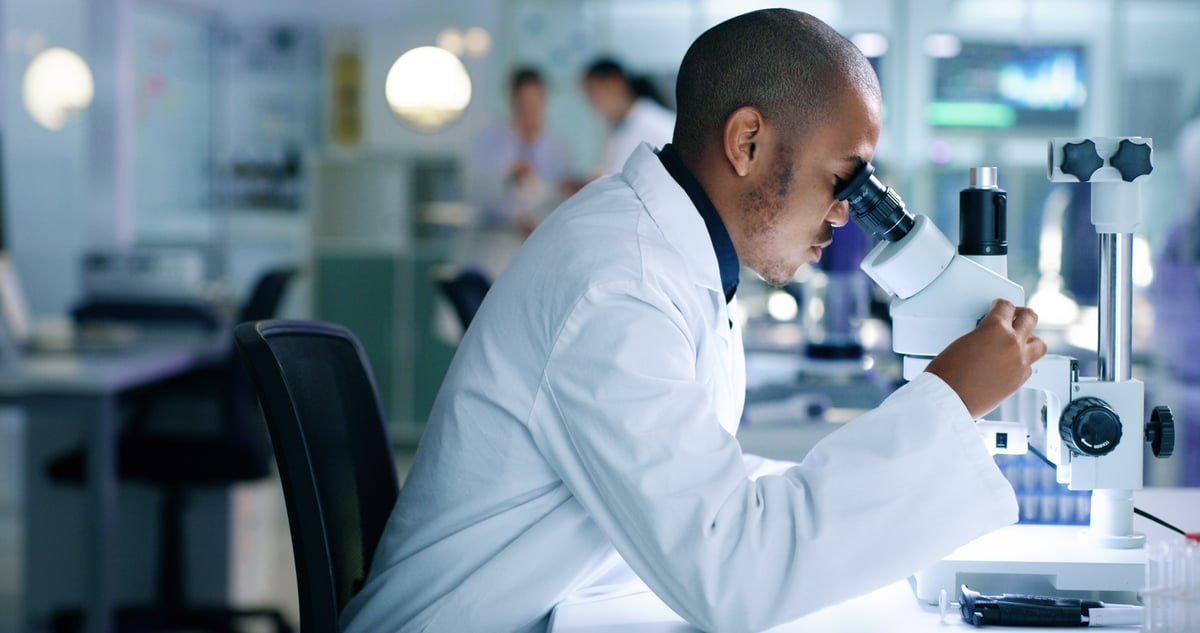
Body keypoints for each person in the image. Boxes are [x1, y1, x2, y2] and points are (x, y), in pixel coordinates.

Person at [341, 10, 1046, 633]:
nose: (844, 212)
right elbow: (732, 577)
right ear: (747, 142)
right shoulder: (620, 283)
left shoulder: (657, 254)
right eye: (844, 177)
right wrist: (948, 399)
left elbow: (702, 480)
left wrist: (896, 479)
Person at [465, 67, 571, 277]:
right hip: (495, 242)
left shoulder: (556, 147)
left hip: (537, 242)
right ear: (513, 99)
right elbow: (474, 190)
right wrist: (508, 177)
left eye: (536, 100)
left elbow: (557, 198)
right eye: (525, 101)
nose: (531, 108)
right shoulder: (490, 139)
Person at [582, 57, 676, 176]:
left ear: (615, 82)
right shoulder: (622, 128)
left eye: (593, 93)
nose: (593, 104)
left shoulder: (654, 124)